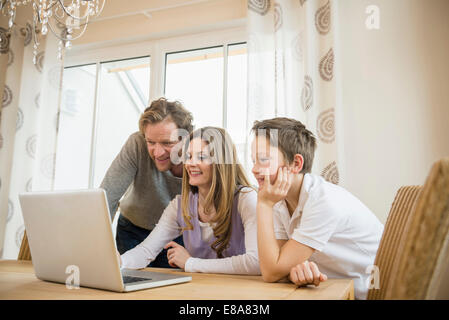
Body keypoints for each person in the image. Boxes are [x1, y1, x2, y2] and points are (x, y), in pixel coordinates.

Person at [251, 117, 384, 299]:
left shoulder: (323, 201)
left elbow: (271, 271)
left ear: (296, 164)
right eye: (253, 161)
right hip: (334, 289)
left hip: (370, 293)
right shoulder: (280, 199)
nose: (254, 169)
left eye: (263, 160)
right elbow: (276, 266)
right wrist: (291, 270)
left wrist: (263, 204)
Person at [119, 127, 260, 275]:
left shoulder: (246, 198)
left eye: (201, 157)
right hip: (198, 292)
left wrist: (190, 263)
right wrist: (118, 261)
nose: (190, 163)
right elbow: (146, 251)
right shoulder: (180, 206)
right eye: (188, 156)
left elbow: (254, 262)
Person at [100, 97, 193, 268]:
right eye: (150, 142)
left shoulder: (197, 153)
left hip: (176, 236)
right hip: (133, 228)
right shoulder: (136, 143)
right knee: (130, 288)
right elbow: (106, 197)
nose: (157, 152)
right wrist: (99, 246)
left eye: (167, 143)